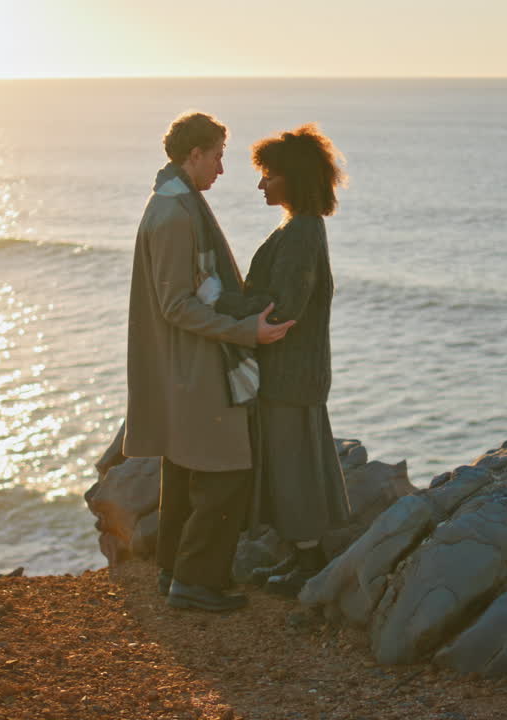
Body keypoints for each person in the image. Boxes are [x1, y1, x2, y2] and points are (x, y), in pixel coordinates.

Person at [125, 111, 294, 613]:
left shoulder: (173, 202)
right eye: (217, 156)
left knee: (182, 472)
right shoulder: (176, 215)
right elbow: (177, 305)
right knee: (225, 475)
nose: (222, 168)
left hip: (179, 366)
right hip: (194, 367)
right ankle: (194, 584)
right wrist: (249, 331)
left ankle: (173, 572)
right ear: (192, 155)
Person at [214, 123, 352, 598]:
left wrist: (219, 302)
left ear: (291, 178)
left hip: (291, 375)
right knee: (295, 465)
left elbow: (285, 306)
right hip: (296, 373)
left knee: (293, 468)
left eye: (268, 175)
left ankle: (309, 562)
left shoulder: (300, 233)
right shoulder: (301, 228)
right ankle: (301, 557)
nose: (260, 184)